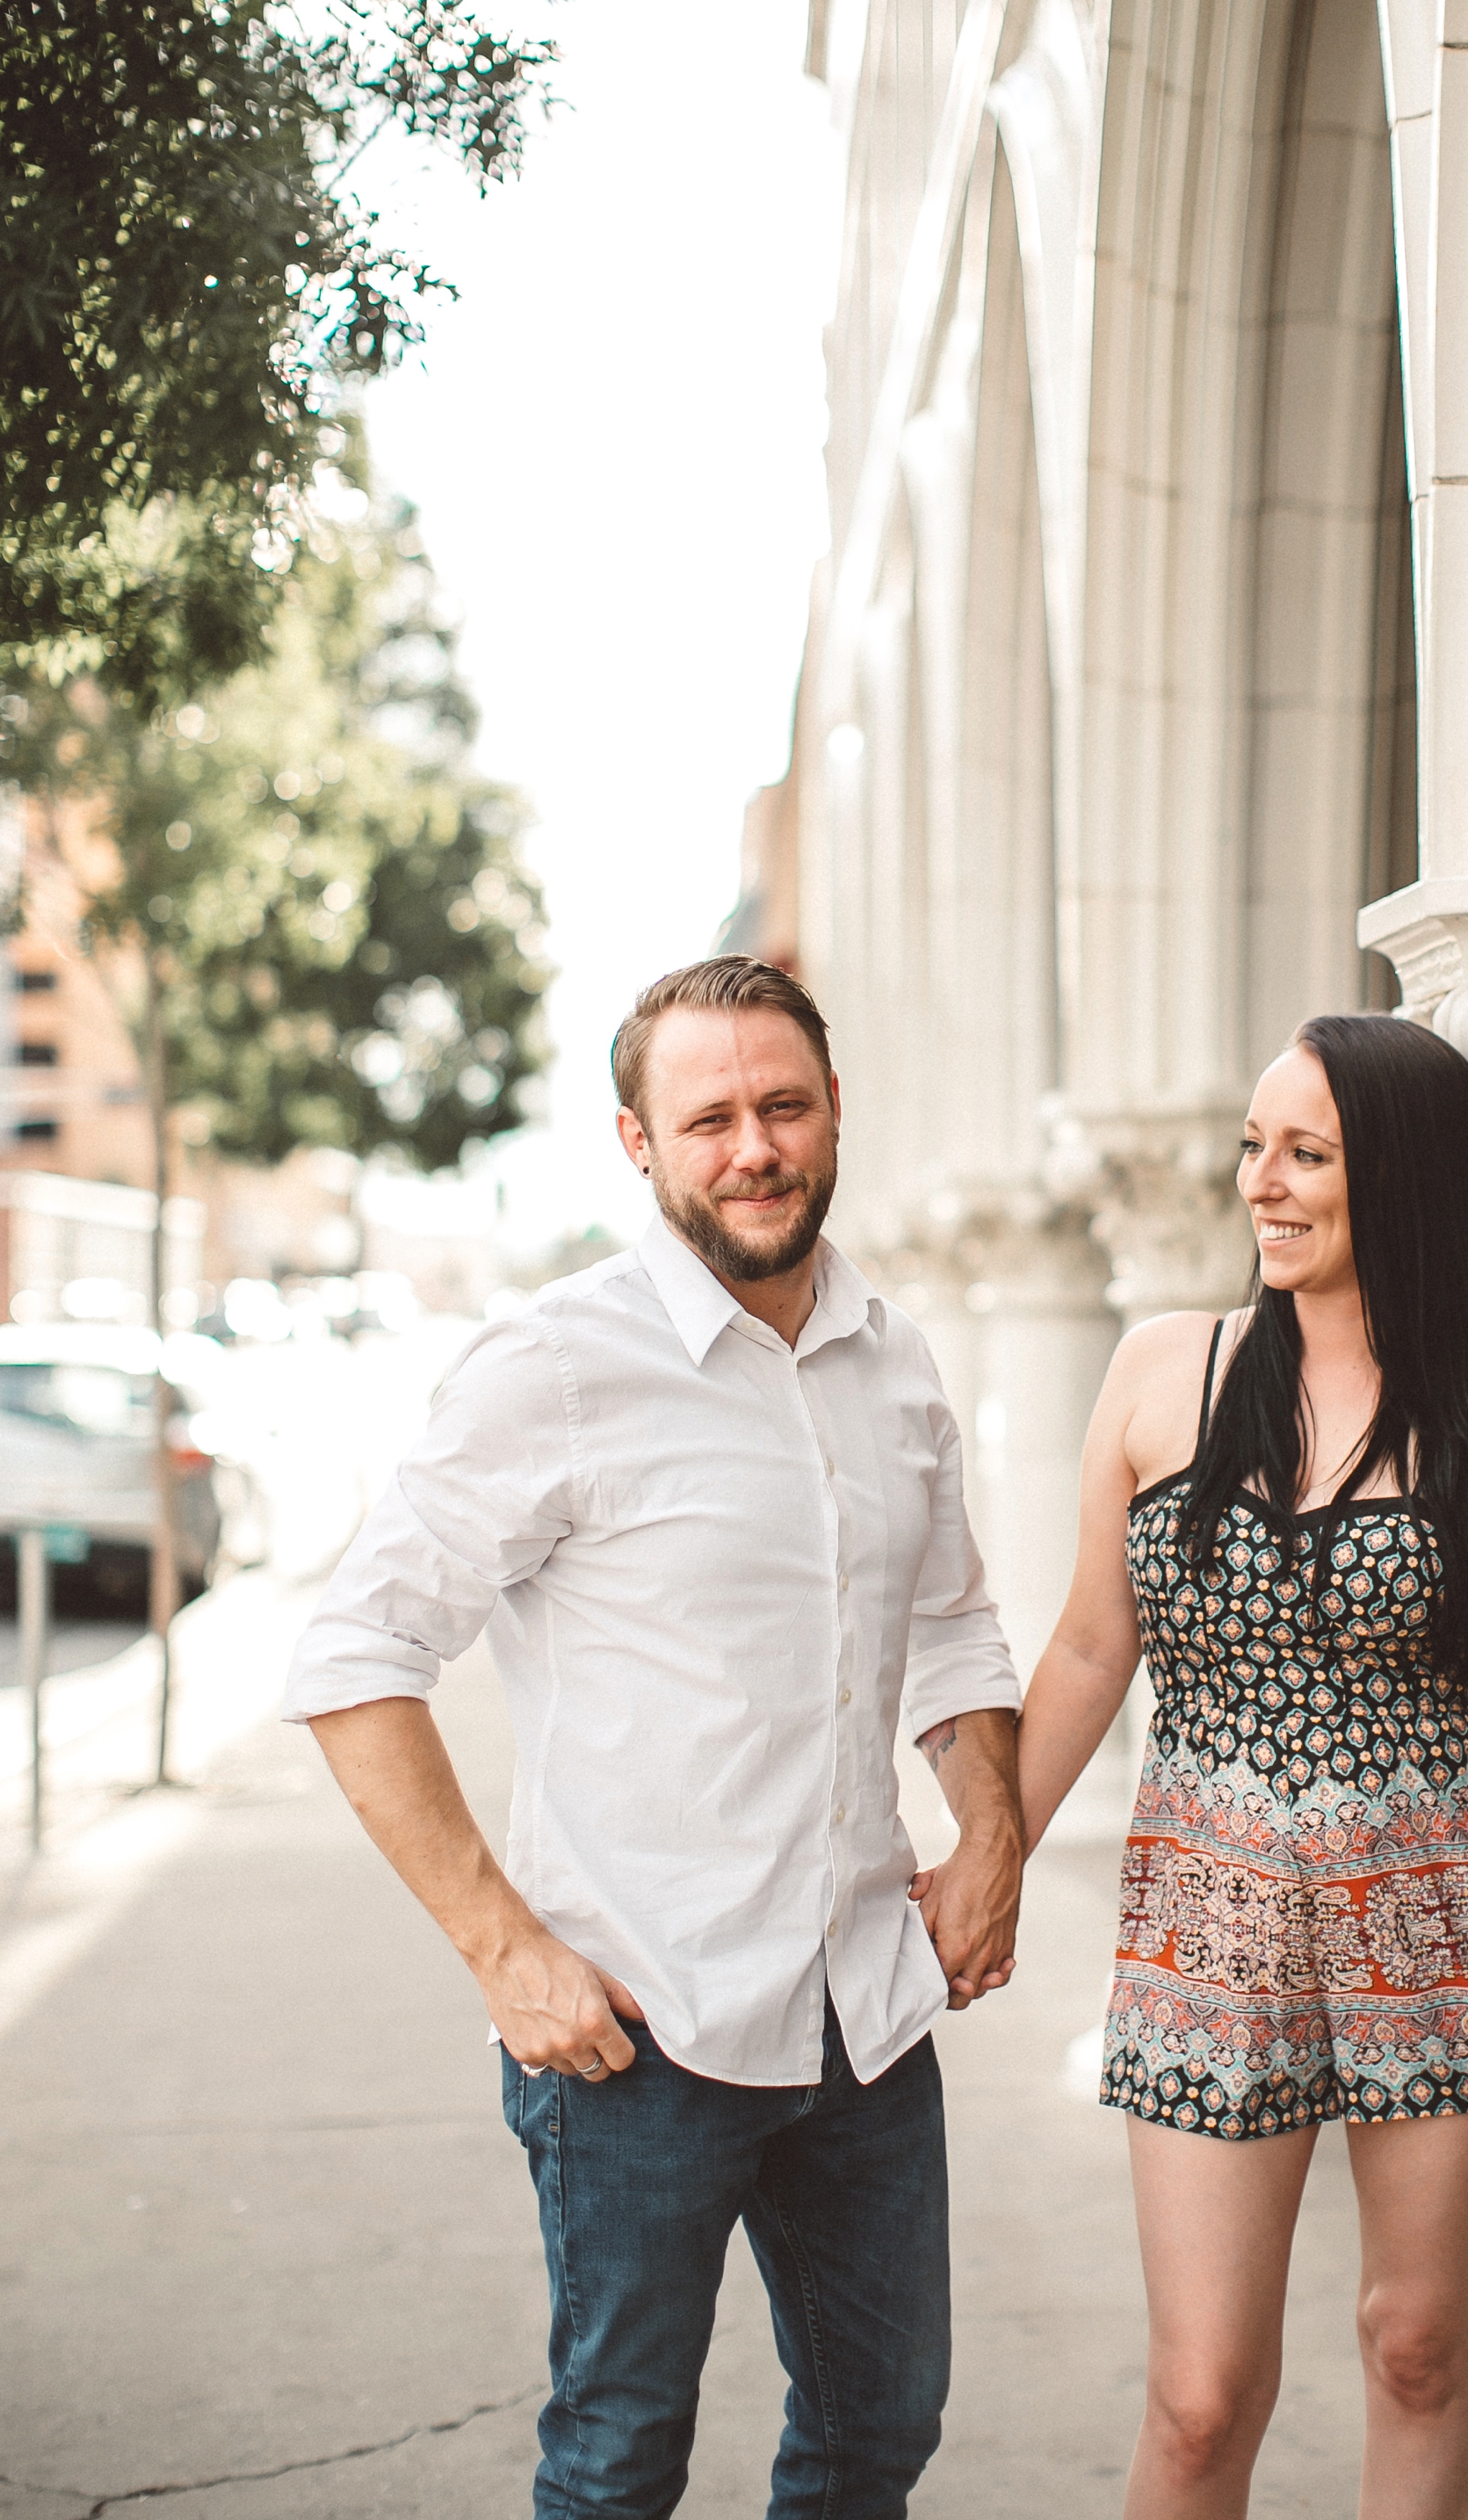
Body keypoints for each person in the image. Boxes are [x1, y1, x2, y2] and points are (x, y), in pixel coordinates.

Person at [282, 954, 1025, 2520]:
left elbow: (954, 1629)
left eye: (785, 1107)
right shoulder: (554, 1367)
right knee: (621, 2461)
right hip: (641, 2031)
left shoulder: (895, 1357)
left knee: (877, 2438)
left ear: (834, 1115)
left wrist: (995, 1837)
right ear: (639, 1144)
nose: (754, 1147)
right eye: (709, 1120)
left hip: (865, 2013)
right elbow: (357, 1656)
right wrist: (503, 1950)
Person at [1016, 1011, 1468, 2520]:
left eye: (1305, 1154)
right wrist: (985, 1861)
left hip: (1442, 1919)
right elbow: (1094, 1651)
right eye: (1250, 1149)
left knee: (1416, 2345)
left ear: (1397, 1178)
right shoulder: (1166, 1375)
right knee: (1203, 2393)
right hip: (1204, 1921)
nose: (1260, 1185)